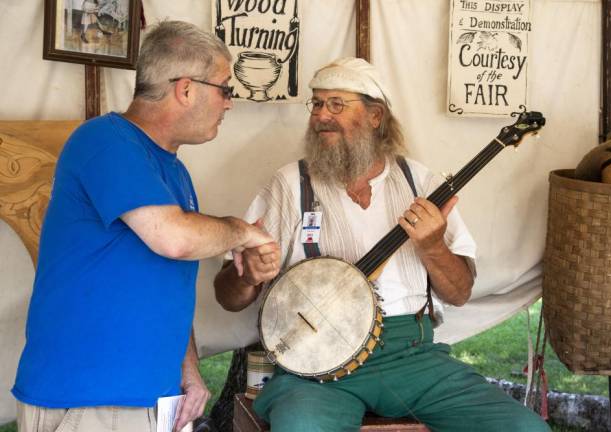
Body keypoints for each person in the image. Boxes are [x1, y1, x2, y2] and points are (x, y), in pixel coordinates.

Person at [213, 57, 550, 432]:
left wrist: (434, 247)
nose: (322, 115)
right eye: (318, 103)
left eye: (337, 104)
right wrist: (247, 277)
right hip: (317, 370)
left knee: (524, 429)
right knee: (301, 426)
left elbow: (459, 293)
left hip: (412, 357)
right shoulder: (290, 184)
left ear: (376, 116)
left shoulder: (420, 183)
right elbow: (228, 296)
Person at [12, 21, 276, 432]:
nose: (229, 103)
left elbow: (167, 286)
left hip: (147, 398)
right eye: (225, 88)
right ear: (186, 89)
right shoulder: (105, 141)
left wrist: (188, 370)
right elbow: (174, 239)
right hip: (92, 399)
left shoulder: (173, 170)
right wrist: (242, 231)